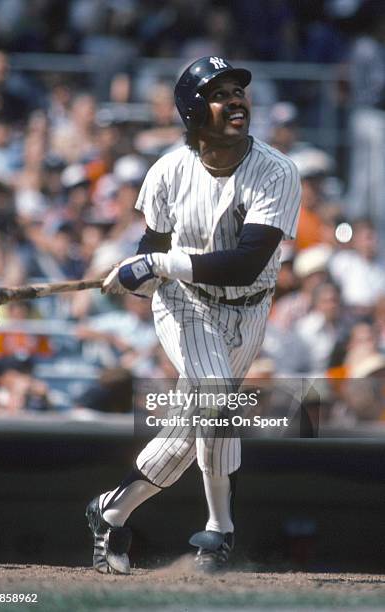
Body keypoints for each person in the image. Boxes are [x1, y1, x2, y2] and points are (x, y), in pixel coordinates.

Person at [85, 56, 301, 574]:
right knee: (214, 396)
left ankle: (110, 511)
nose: (235, 101)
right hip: (187, 303)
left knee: (194, 425)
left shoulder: (276, 170)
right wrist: (140, 273)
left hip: (251, 306)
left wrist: (160, 262)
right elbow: (153, 249)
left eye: (238, 91)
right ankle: (219, 531)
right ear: (192, 109)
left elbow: (248, 264)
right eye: (219, 92)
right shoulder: (168, 171)